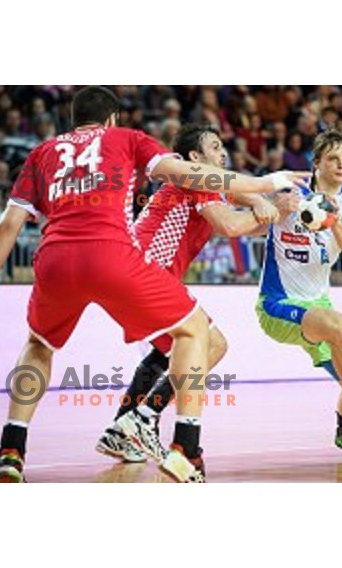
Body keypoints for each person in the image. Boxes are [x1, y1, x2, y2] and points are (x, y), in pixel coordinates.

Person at [0, 86, 300, 484]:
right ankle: (181, 446)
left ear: (73, 120)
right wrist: (265, 183)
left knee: (39, 345)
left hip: (54, 258)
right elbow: (206, 195)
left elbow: (8, 224)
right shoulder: (129, 139)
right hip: (119, 257)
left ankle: (12, 449)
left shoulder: (42, 152)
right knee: (199, 336)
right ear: (113, 118)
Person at [97, 123, 297, 464]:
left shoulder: (203, 184)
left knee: (171, 352)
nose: (224, 153)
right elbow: (231, 225)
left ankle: (120, 430)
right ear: (195, 157)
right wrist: (273, 207)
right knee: (211, 344)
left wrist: (274, 211)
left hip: (129, 273)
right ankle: (144, 418)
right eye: (216, 147)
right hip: (148, 271)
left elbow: (238, 203)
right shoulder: (195, 177)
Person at [255, 129, 342, 457]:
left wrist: (333, 220)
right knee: (339, 326)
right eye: (332, 158)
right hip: (277, 304)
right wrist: (270, 202)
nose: (341, 164)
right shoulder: (290, 189)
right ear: (316, 163)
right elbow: (241, 196)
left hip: (318, 304)